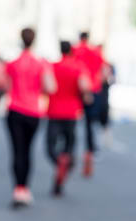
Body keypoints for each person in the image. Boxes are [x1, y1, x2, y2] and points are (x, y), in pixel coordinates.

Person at [4, 28, 57, 208]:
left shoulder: (13, 63)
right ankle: (25, 189)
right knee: (27, 150)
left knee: (17, 150)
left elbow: (4, 85)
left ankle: (18, 189)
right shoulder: (41, 63)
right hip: (33, 111)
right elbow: (51, 87)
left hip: (15, 110)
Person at [46, 41, 91, 196]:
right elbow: (85, 87)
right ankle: (63, 167)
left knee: (51, 148)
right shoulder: (78, 68)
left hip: (54, 112)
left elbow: (46, 86)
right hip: (72, 113)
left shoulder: (52, 67)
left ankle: (59, 164)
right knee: (69, 147)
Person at [73, 32, 105, 177]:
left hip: (78, 90)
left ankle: (69, 150)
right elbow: (103, 71)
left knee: (71, 121)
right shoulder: (95, 52)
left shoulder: (75, 50)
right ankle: (90, 150)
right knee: (89, 123)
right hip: (94, 90)